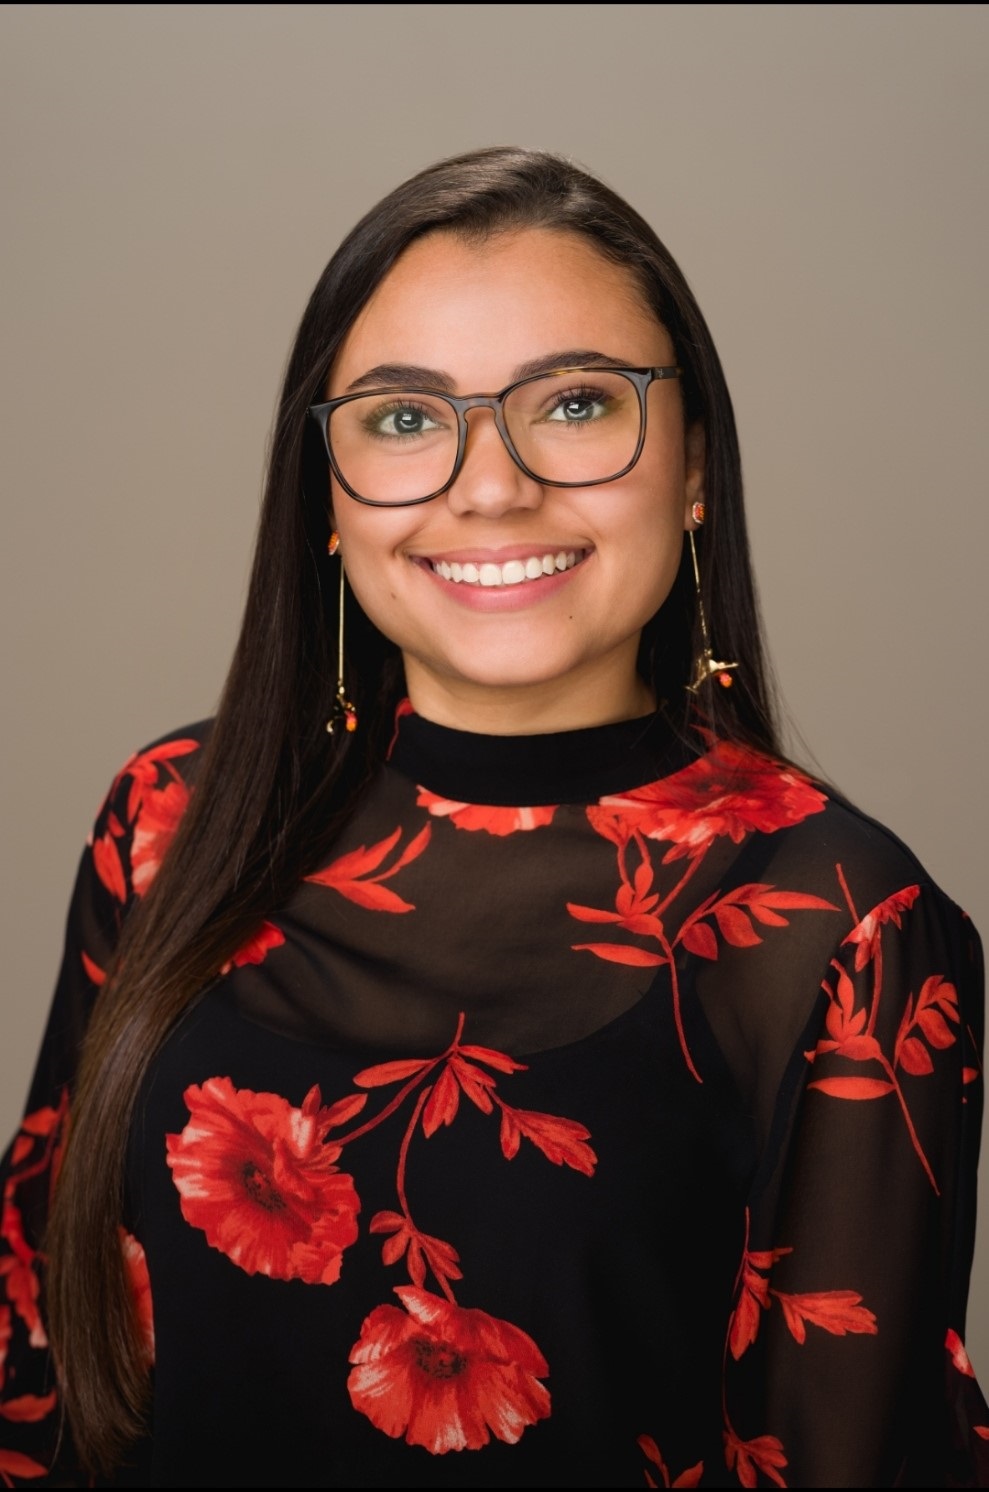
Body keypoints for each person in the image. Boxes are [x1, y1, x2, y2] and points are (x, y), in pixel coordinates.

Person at [0, 146, 985, 1490]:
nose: (489, 486)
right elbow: (39, 1366)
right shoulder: (169, 820)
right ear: (325, 500)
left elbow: (845, 1465)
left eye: (574, 403)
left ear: (693, 468)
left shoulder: (836, 920)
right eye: (405, 418)